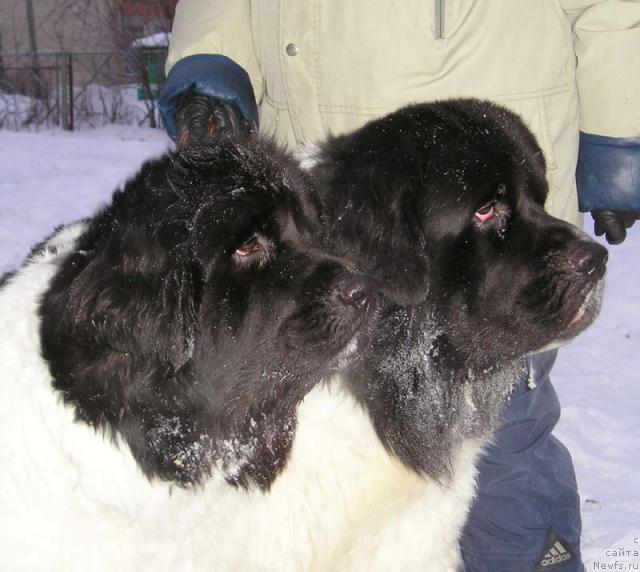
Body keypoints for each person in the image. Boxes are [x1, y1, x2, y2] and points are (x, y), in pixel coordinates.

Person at [158, 2, 640, 570]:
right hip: (309, 206)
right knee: (297, 483)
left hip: (472, 195)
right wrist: (211, 64)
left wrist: (619, 135)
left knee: (506, 445)